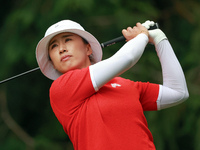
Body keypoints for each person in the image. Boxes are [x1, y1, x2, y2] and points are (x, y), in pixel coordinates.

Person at [36, 20, 189, 150]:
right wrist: (142, 35)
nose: (61, 49)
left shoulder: (125, 85)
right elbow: (128, 57)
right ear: (53, 63)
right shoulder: (62, 88)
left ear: (88, 48)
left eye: (67, 39)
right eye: (54, 46)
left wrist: (159, 39)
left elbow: (178, 92)